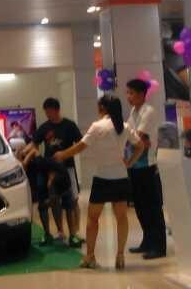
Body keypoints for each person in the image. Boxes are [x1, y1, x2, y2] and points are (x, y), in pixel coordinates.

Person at [55, 94, 143, 270]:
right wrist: (129, 162)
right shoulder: (124, 127)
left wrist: (62, 154)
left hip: (102, 178)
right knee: (122, 218)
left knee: (93, 218)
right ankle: (120, 256)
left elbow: (81, 146)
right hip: (120, 177)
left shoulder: (97, 127)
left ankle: (90, 256)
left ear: (102, 107)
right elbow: (140, 145)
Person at [24, 98, 84, 247]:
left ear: (56, 110)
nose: (47, 115)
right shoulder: (44, 127)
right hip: (49, 168)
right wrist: (24, 153)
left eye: (49, 112)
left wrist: (66, 154)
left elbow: (81, 144)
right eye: (46, 112)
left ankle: (75, 233)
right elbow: (34, 144)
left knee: (72, 201)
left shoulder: (69, 125)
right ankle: (59, 232)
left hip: (67, 168)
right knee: (51, 200)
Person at [125, 78, 168, 259]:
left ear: (142, 94)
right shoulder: (133, 111)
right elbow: (131, 137)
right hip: (134, 165)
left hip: (148, 166)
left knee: (153, 207)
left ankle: (159, 247)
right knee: (140, 207)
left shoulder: (148, 111)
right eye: (127, 93)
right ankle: (147, 241)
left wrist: (136, 140)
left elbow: (136, 136)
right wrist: (136, 140)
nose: (128, 96)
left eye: (131, 93)